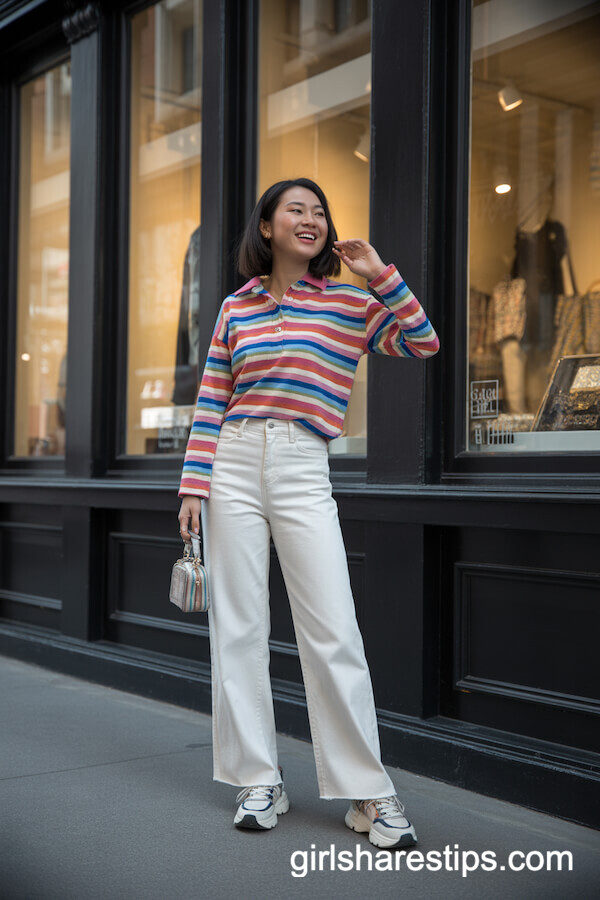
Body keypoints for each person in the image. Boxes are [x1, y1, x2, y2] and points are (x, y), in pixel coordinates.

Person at [178, 177, 439, 849]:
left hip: (301, 463)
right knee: (238, 627)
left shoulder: (349, 303)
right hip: (232, 462)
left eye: (319, 210)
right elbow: (212, 399)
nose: (311, 218)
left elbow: (423, 342)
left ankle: (368, 793)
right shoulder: (236, 307)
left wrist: (382, 275)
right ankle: (254, 777)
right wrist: (191, 486)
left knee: (333, 631)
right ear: (266, 227)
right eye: (296, 209)